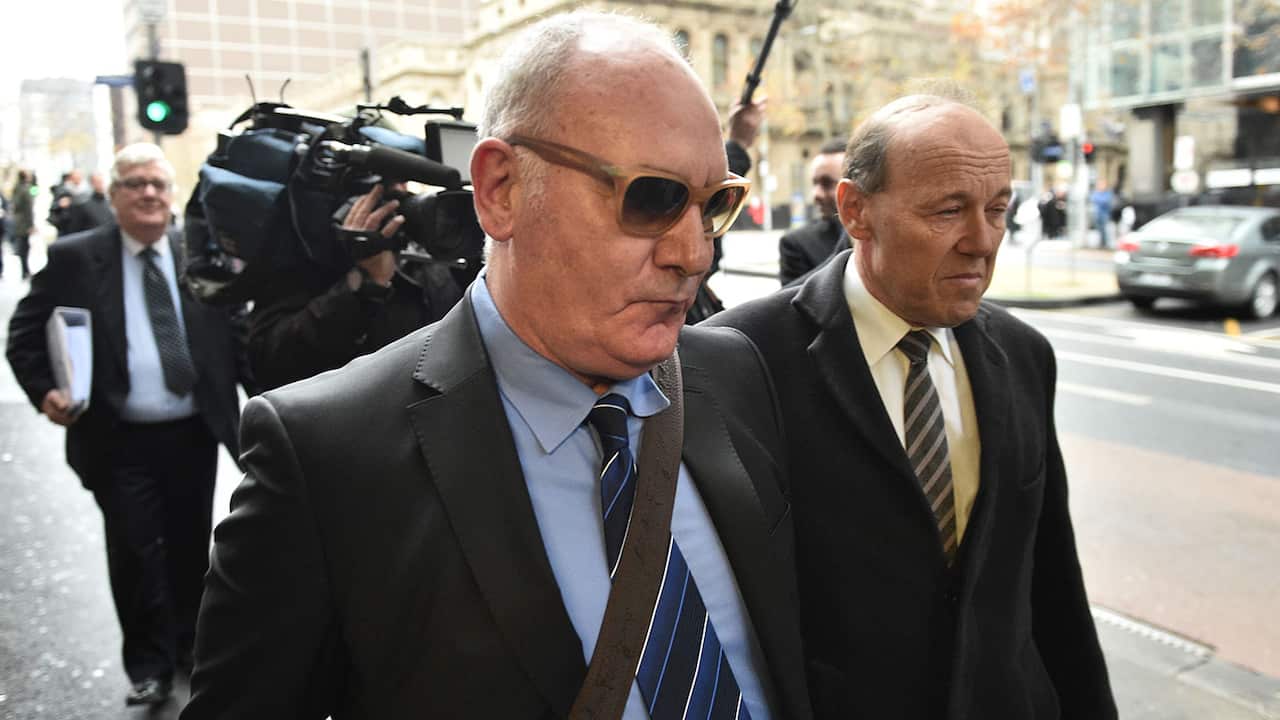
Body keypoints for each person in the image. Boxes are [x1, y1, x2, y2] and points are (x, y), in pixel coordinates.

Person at [183, 11, 811, 720]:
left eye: (715, 204)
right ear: (501, 190)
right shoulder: (324, 455)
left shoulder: (733, 372)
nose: (693, 254)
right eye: (652, 197)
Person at [708, 94, 1116, 719]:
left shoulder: (1024, 354)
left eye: (998, 209)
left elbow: (1052, 583)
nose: (982, 242)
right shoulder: (739, 360)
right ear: (856, 211)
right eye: (949, 211)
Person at [6, 144, 252, 708]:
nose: (148, 194)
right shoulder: (76, 258)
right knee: (137, 549)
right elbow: (23, 335)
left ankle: (190, 648)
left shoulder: (200, 253)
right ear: (113, 196)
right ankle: (148, 664)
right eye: (134, 183)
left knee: (193, 545)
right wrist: (45, 393)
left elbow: (233, 334)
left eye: (158, 185)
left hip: (191, 432)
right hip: (116, 436)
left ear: (171, 196)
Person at [246, 182, 470, 390]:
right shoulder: (306, 258)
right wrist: (366, 283)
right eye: (380, 194)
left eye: (401, 187)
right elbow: (272, 365)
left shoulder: (431, 253)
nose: (396, 206)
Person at [777, 137, 849, 285]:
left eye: (827, 183)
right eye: (815, 183)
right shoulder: (797, 244)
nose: (816, 194)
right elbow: (792, 301)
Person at [9, 170, 35, 279]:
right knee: (24, 247)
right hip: (24, 223)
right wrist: (31, 225)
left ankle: (25, 270)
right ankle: (25, 270)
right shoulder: (25, 189)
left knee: (22, 247)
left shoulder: (17, 189)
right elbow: (28, 209)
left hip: (18, 222)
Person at [1090, 179, 1115, 249]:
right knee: (1099, 230)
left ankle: (1105, 244)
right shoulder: (1096, 193)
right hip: (1097, 214)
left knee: (1105, 230)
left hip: (1104, 214)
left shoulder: (1108, 193)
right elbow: (1093, 199)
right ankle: (1101, 243)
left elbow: (1105, 201)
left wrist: (1099, 200)